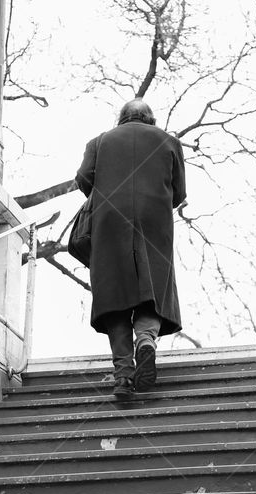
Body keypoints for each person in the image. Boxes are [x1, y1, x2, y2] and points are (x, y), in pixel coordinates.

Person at [75, 99, 187, 399]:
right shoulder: (170, 143)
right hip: (155, 222)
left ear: (120, 118)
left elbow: (83, 179)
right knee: (152, 290)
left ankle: (123, 375)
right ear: (151, 119)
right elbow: (179, 193)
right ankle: (146, 342)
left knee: (115, 295)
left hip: (110, 221)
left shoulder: (98, 142)